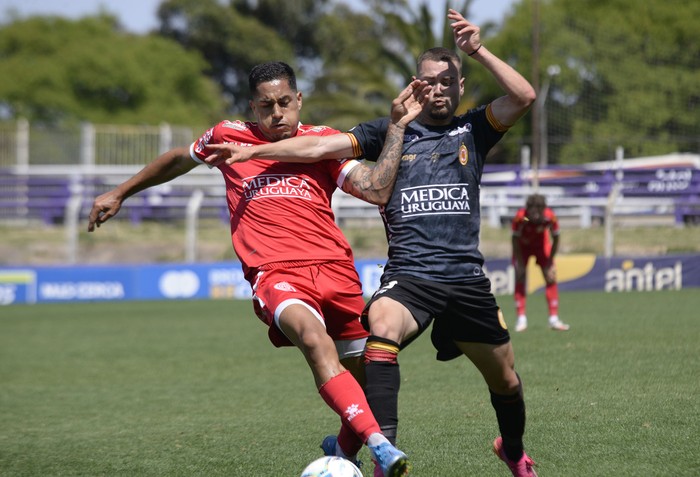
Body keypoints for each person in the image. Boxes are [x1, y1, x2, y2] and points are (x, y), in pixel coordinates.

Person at [204, 10, 539, 477]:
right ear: (414, 86)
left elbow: (524, 95)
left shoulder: (475, 130)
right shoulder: (386, 131)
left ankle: (513, 450)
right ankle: (385, 457)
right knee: (379, 326)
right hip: (409, 276)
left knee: (505, 379)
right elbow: (316, 147)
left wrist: (477, 50)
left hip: (464, 277)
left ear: (461, 86)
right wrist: (254, 151)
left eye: (448, 81)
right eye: (428, 82)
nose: (438, 89)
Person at [88, 61, 429, 477]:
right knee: (313, 339)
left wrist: (396, 130)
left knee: (366, 381)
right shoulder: (229, 137)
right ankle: (381, 446)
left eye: (285, 102)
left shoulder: (322, 143)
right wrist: (122, 191)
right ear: (253, 107)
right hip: (277, 271)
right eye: (266, 106)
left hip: (337, 271)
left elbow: (374, 188)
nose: (277, 113)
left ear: (299, 100)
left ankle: (341, 448)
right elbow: (180, 158)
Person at [511, 194, 570, 332]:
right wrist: (519, 263)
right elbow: (514, 240)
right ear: (528, 209)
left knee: (551, 277)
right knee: (520, 277)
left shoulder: (550, 217)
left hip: (541, 247)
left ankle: (554, 319)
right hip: (522, 248)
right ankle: (521, 319)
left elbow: (556, 238)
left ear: (544, 209)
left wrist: (550, 262)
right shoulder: (520, 217)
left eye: (539, 211)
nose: (536, 215)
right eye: (533, 211)